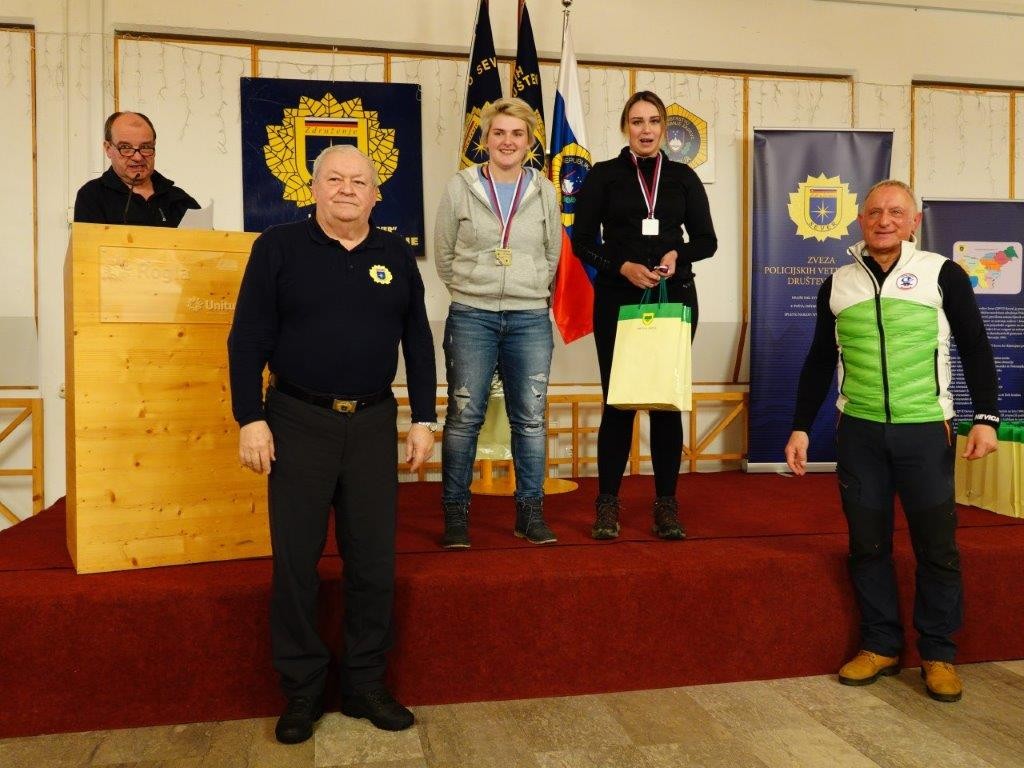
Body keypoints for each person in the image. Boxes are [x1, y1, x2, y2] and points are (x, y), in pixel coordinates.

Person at [227, 145, 438, 744]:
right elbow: (247, 338)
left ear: (376, 194)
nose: (347, 189)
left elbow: (418, 341)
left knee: (373, 562)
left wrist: (424, 418)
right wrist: (250, 418)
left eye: (359, 181)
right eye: (335, 179)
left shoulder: (394, 254)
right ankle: (303, 689)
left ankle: (365, 683)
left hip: (372, 424)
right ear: (314, 188)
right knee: (296, 562)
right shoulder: (277, 248)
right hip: (296, 421)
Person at [784, 179, 1000, 703]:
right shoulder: (837, 282)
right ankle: (880, 644)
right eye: (875, 212)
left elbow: (974, 344)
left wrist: (986, 417)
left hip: (926, 429)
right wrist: (800, 425)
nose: (884, 221)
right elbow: (819, 358)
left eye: (896, 212)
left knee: (937, 547)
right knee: (868, 545)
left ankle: (938, 653)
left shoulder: (941, 273)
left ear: (914, 221)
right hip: (858, 431)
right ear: (861, 220)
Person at [571, 91, 717, 541]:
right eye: (637, 121)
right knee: (619, 403)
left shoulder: (683, 178)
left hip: (674, 299)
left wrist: (677, 254)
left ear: (664, 128)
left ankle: (666, 505)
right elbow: (581, 241)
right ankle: (607, 504)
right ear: (625, 127)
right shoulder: (604, 175)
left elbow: (707, 241)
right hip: (618, 301)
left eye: (654, 121)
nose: (646, 129)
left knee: (665, 404)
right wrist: (621, 267)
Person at [434, 96, 562, 549]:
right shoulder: (461, 186)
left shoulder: (544, 190)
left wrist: (528, 287)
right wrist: (475, 288)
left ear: (529, 143)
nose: (508, 141)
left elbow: (551, 254)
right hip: (472, 315)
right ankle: (456, 515)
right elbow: (444, 254)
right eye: (499, 133)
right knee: (464, 418)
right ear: (485, 139)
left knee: (530, 420)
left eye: (517, 134)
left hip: (529, 318)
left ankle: (530, 514)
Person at [74, 111, 199, 226]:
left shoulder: (179, 200)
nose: (138, 157)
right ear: (108, 149)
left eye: (145, 147)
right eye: (125, 148)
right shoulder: (92, 196)